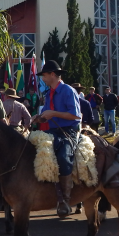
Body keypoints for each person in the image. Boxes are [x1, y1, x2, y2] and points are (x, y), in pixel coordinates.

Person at [35, 60, 81, 218]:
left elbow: (76, 116)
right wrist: (40, 118)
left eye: (45, 75)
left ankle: (65, 200)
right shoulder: (49, 93)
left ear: (53, 75)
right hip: (53, 131)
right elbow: (48, 116)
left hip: (68, 132)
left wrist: (53, 114)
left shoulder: (68, 90)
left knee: (63, 157)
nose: (43, 79)